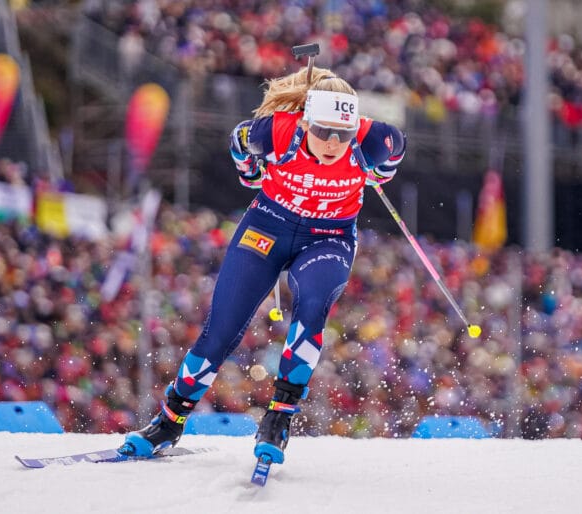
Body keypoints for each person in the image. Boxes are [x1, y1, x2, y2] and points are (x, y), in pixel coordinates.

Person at [120, 65, 406, 464]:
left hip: (329, 238)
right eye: (323, 131)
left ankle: (279, 417)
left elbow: (396, 148)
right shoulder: (275, 131)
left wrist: (380, 172)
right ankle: (170, 420)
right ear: (306, 121)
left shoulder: (374, 138)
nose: (332, 142)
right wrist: (251, 172)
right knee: (220, 330)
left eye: (342, 134)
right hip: (268, 228)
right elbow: (238, 143)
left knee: (312, 307)